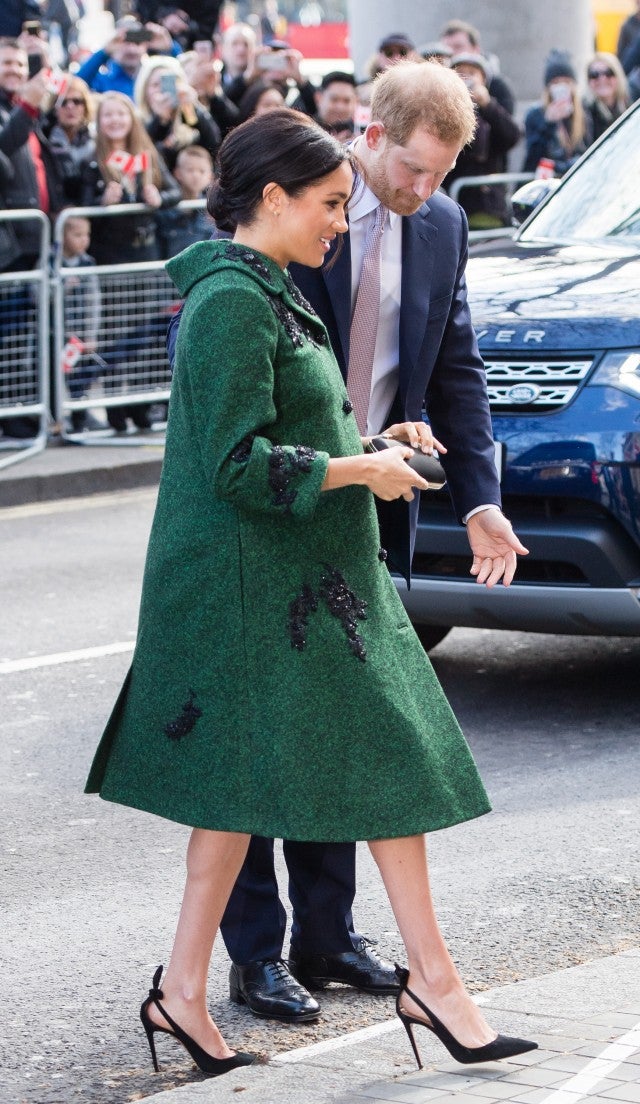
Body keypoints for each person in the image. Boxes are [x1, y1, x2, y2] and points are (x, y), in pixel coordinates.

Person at [85, 106, 536, 1080]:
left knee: (242, 799)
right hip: (257, 595)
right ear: (273, 197)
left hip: (299, 585)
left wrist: (374, 444)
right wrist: (360, 471)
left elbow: (287, 435)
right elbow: (235, 466)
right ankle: (429, 984)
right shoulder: (231, 303)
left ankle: (186, 993)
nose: (342, 221)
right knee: (382, 761)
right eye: (330, 204)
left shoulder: (266, 290)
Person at [81, 91, 180, 432]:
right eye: (108, 115)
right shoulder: (92, 159)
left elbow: (174, 192)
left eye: (121, 114)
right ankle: (114, 408)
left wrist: (158, 197)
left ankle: (141, 406)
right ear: (99, 121)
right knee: (116, 334)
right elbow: (83, 206)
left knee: (146, 332)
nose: (115, 121)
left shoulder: (147, 154)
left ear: (131, 118)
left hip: (146, 256)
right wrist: (102, 200)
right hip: (112, 258)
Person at [447, 52, 521, 228]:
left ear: (483, 80)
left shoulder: (490, 111)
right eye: (461, 73)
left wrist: (487, 104)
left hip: (490, 205)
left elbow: (511, 136)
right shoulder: (447, 111)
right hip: (456, 202)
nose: (467, 78)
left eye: (472, 73)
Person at [57, 214, 105, 433]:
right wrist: (62, 288)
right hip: (56, 333)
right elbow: (36, 295)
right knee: (56, 378)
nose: (84, 240)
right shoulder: (51, 261)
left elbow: (93, 302)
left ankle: (80, 417)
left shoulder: (87, 262)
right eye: (77, 235)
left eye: (87, 235)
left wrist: (90, 335)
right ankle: (58, 419)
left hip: (80, 336)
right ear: (62, 236)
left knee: (81, 377)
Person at [134, 54, 221, 171]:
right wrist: (160, 120)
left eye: (168, 83)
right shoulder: (136, 121)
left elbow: (214, 144)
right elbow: (142, 152)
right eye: (155, 85)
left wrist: (191, 107)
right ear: (145, 90)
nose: (162, 90)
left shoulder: (189, 115)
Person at [523, 50, 591, 177]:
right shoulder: (535, 115)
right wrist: (548, 124)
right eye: (556, 82)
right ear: (548, 87)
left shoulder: (585, 112)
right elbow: (532, 158)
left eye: (566, 82)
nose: (561, 87)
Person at [76, 18, 180, 100]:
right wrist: (104, 52)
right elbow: (75, 85)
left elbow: (183, 83)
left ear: (146, 45)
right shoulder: (103, 79)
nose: (132, 49)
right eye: (125, 43)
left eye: (137, 43)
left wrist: (170, 48)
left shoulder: (156, 78)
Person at [438, 19, 515, 116]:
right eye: (446, 49)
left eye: (458, 47)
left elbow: (509, 124)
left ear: (476, 49)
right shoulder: (437, 86)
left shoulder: (497, 86)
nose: (451, 53)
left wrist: (487, 104)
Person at [156, 143, 214, 257]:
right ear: (177, 173)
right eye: (190, 170)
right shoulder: (165, 212)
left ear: (210, 177)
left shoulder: (212, 211)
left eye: (202, 171)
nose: (196, 175)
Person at [44, 75, 95, 206]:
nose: (70, 107)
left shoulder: (95, 140)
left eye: (77, 101)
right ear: (54, 108)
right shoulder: (43, 139)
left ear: (85, 106)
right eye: (63, 102)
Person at [583, 52, 630, 142]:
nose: (602, 79)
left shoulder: (631, 103)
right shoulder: (584, 115)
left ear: (618, 76)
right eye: (594, 75)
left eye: (608, 73)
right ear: (588, 81)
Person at [313, 70, 357, 142]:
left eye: (346, 101)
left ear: (355, 101)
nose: (340, 107)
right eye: (334, 99)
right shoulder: (304, 131)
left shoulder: (359, 133)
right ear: (318, 98)